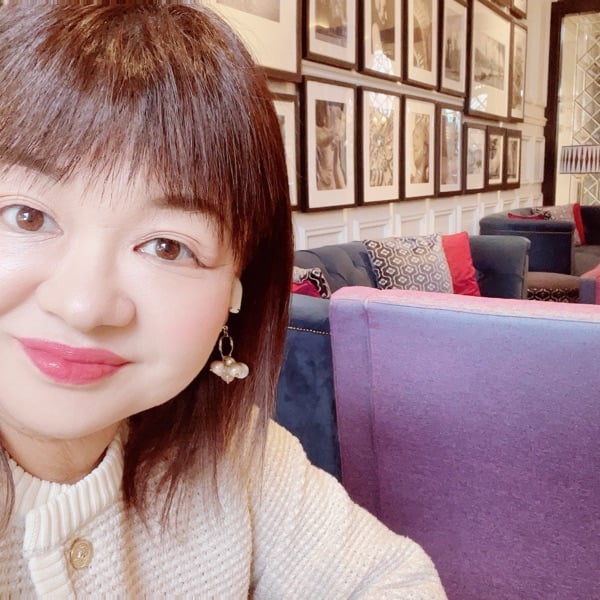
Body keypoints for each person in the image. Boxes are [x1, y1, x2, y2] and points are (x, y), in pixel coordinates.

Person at [0, 3, 447, 597]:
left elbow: (391, 579)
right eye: (26, 216)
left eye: (167, 246)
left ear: (238, 288)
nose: (84, 305)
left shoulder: (235, 456)